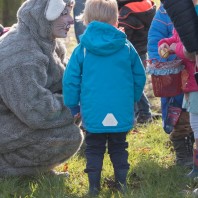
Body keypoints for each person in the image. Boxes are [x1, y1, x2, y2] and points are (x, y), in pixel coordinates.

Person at [62, 0, 146, 195]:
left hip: (93, 108)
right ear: (116, 20)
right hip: (121, 107)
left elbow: (70, 80)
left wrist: (73, 105)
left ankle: (93, 187)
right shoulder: (125, 46)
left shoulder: (83, 48)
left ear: (87, 19)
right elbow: (139, 76)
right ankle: (121, 184)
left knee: (94, 147)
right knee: (119, 146)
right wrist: (131, 99)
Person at [0, 0, 83, 177]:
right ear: (42, 17)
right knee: (68, 136)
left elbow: (65, 80)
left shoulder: (44, 40)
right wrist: (77, 106)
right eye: (64, 14)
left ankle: (28, 168)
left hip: (13, 117)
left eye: (70, 13)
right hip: (6, 123)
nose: (71, 20)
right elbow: (36, 111)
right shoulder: (21, 56)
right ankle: (7, 169)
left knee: (68, 123)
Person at [147, 2, 194, 167]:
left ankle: (193, 148)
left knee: (194, 117)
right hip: (175, 77)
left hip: (193, 74)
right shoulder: (164, 15)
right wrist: (164, 59)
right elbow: (155, 41)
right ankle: (183, 154)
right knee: (178, 116)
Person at [158, 1, 198, 173]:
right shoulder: (186, 14)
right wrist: (165, 43)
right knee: (195, 125)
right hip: (190, 84)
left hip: (195, 85)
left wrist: (175, 47)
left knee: (196, 126)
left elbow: (191, 51)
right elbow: (177, 36)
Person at [117, 0, 156, 124]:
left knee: (130, 85)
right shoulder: (147, 4)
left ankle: (139, 114)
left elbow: (122, 39)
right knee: (136, 83)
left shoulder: (126, 14)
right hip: (143, 50)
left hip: (130, 53)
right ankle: (144, 114)